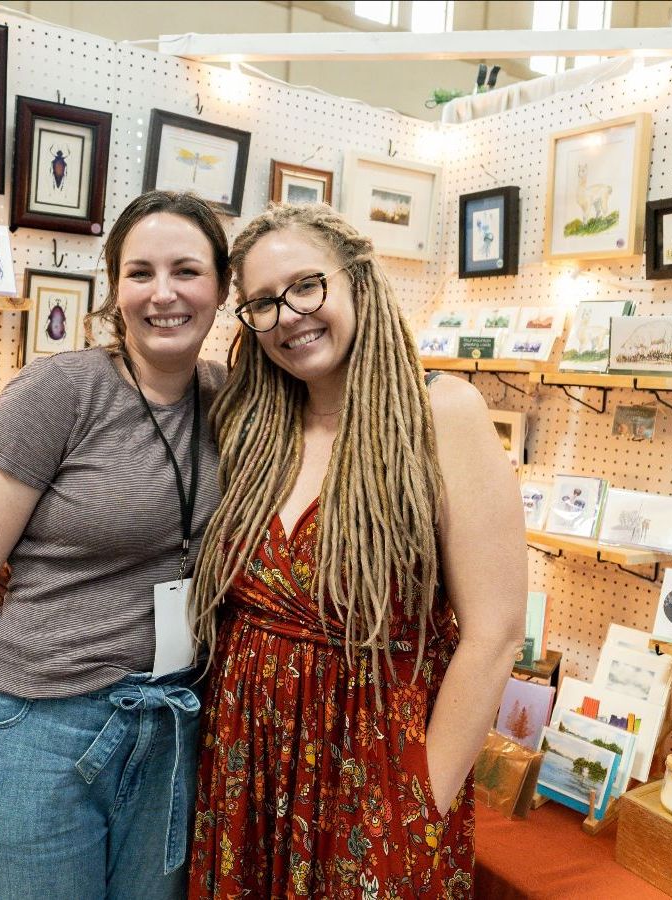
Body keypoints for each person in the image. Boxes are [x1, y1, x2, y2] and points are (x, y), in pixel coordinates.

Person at [187, 203, 527, 897]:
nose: (287, 316)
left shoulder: (441, 413)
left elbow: (494, 635)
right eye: (262, 303)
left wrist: (418, 807)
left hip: (378, 778)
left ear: (357, 280)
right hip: (245, 775)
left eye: (306, 286)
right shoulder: (253, 422)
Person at [0, 190, 231, 900]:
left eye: (186, 270)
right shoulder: (59, 391)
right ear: (116, 289)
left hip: (169, 728)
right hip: (33, 731)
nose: (163, 293)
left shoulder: (232, 400)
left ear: (221, 286)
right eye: (140, 272)